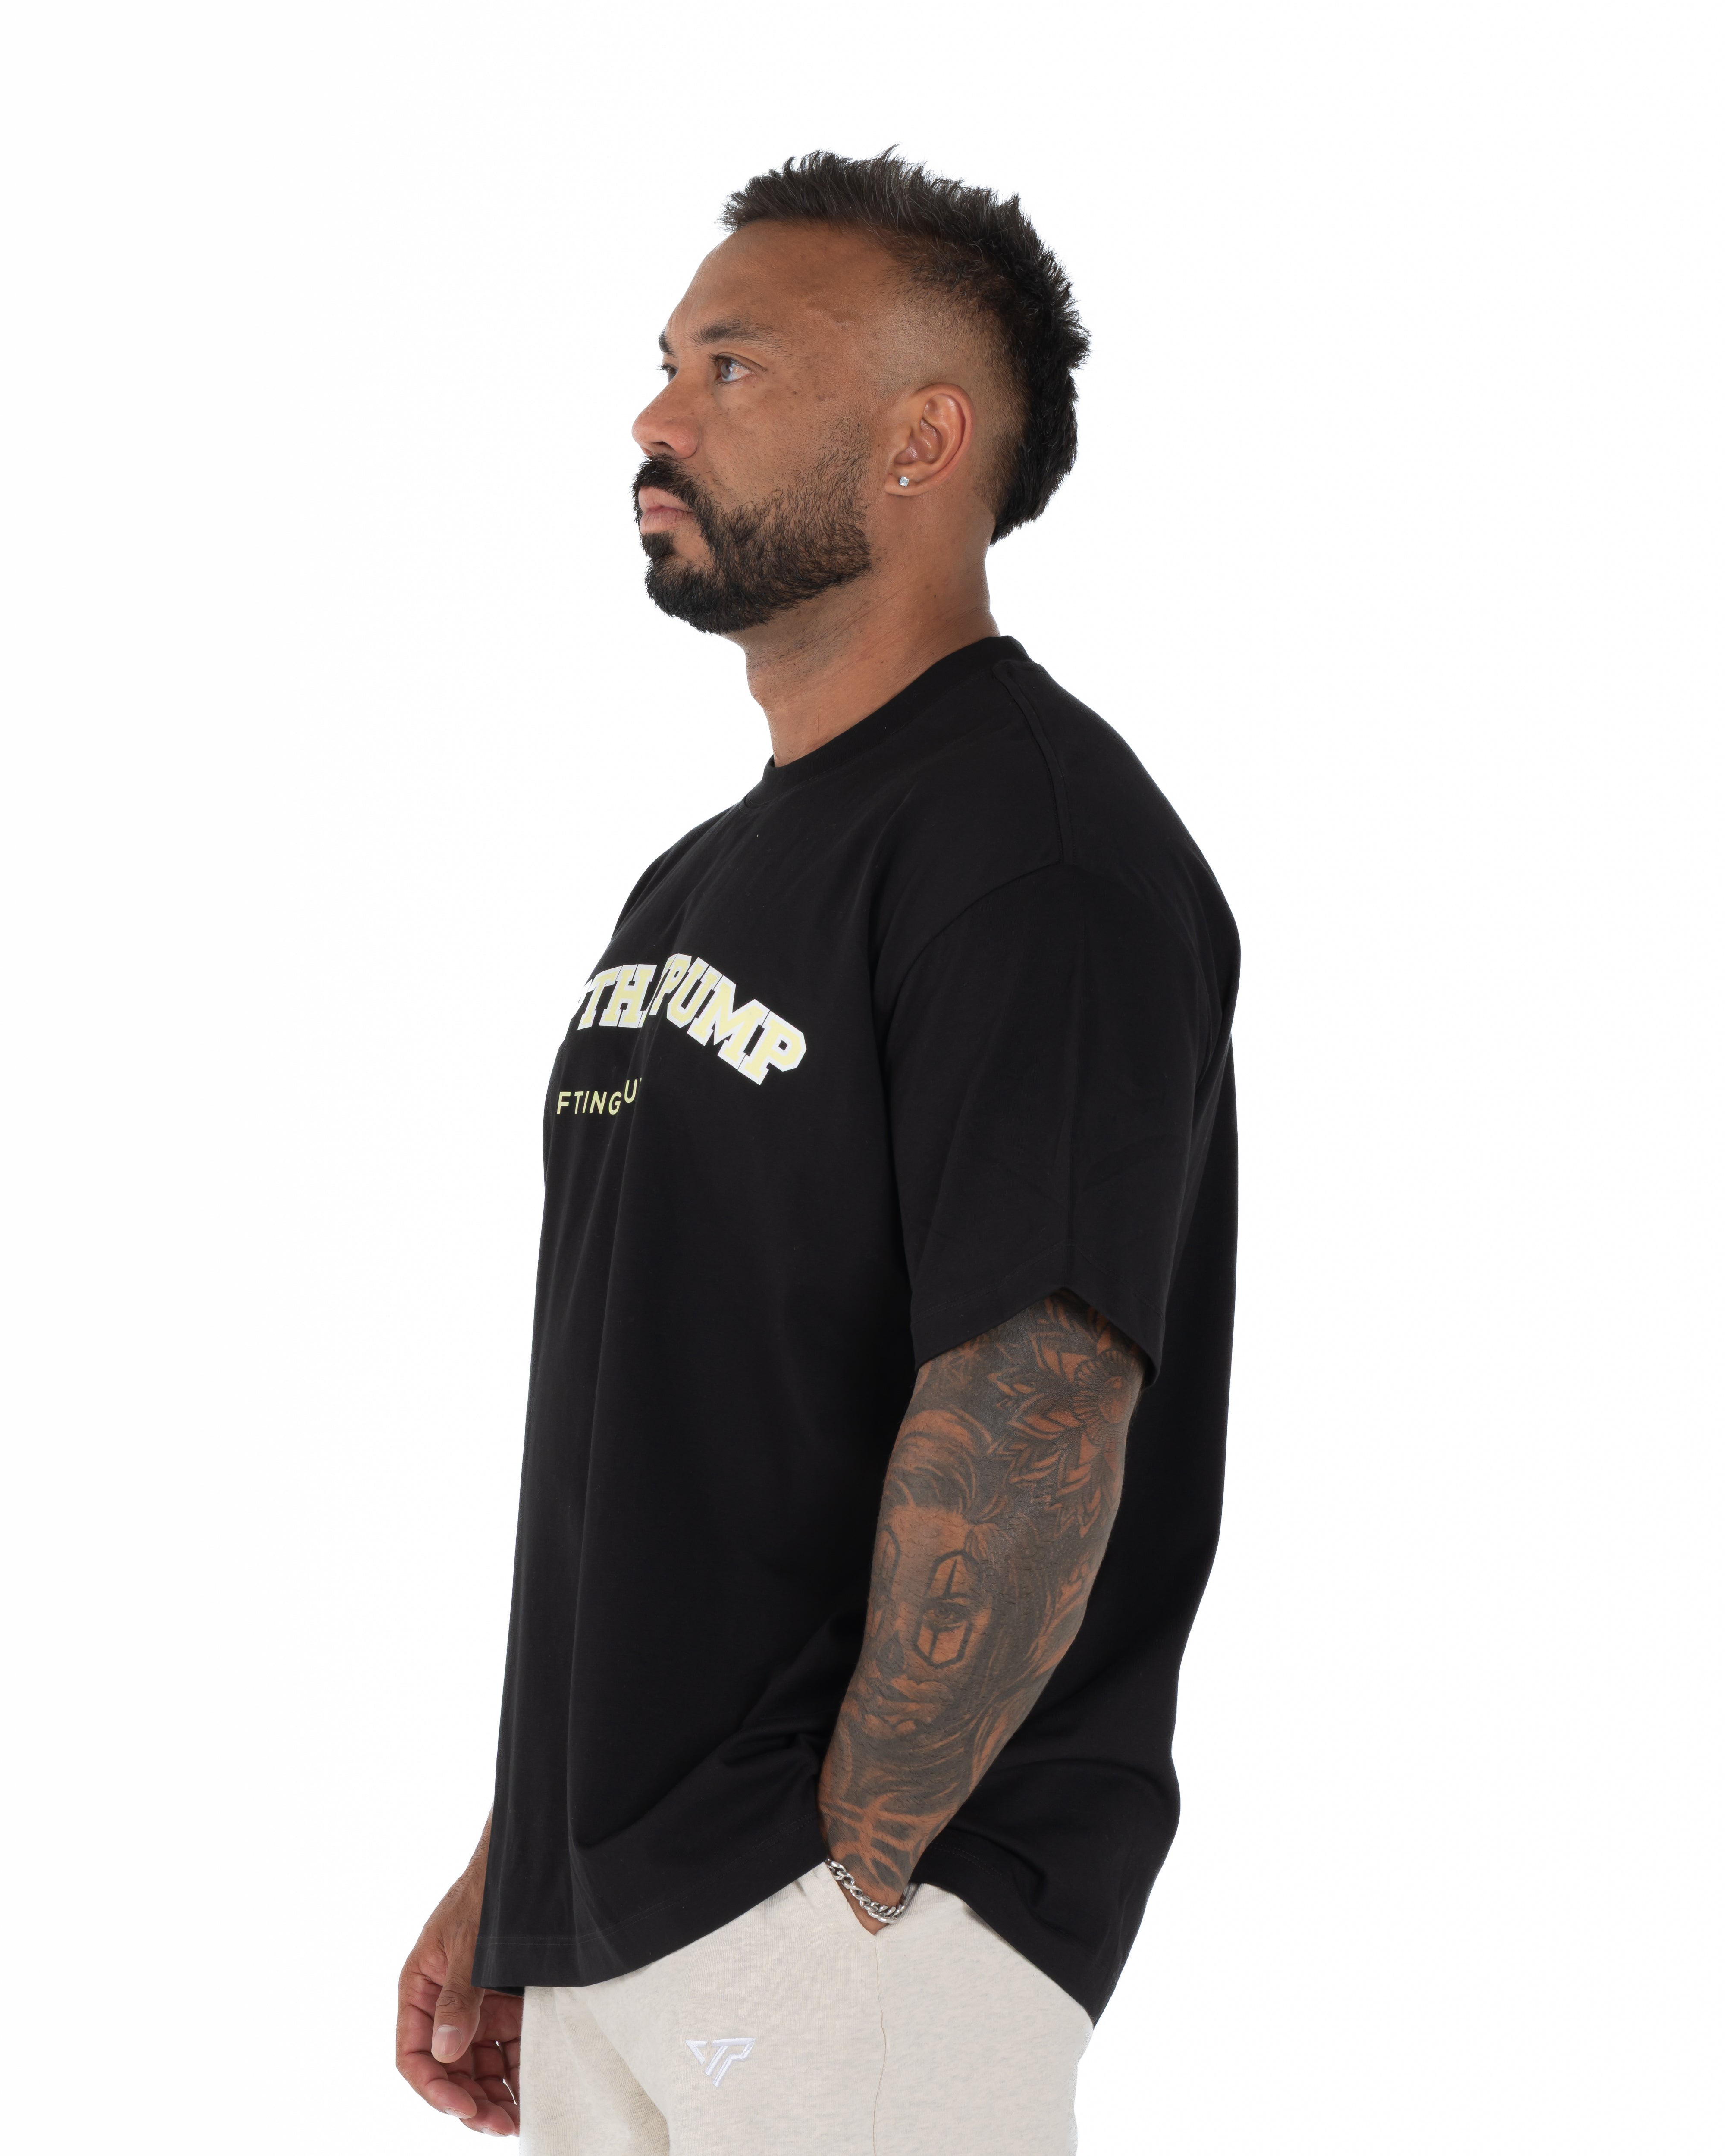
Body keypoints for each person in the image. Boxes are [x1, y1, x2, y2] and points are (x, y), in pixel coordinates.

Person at [396, 150, 1239, 2154]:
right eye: (667, 360)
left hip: (851, 1926)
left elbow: (1041, 1379)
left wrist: (846, 1883)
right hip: (629, 1916)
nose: (657, 416)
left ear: (920, 441)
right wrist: (528, 1857)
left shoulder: (1034, 850)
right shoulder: (696, 883)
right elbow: (655, 1431)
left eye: (733, 365)